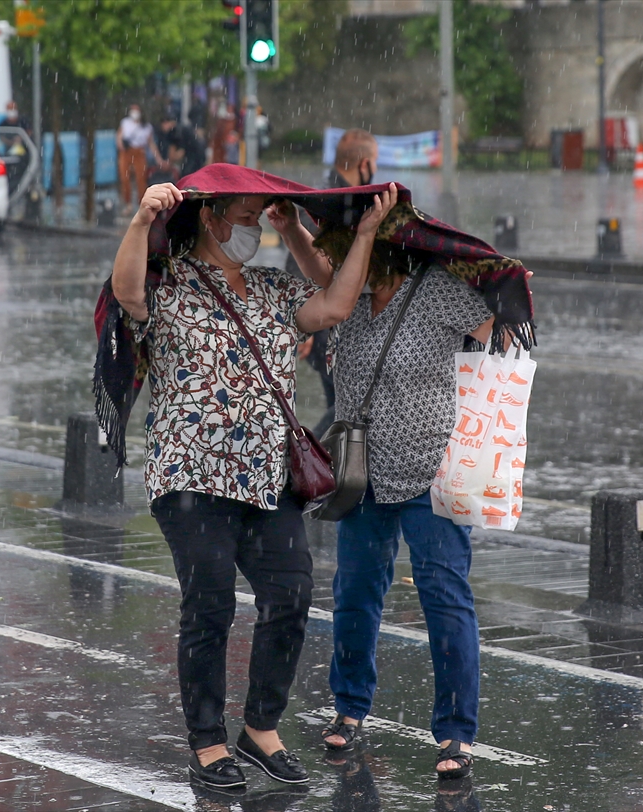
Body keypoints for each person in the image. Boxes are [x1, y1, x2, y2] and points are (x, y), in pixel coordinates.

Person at [109, 177, 399, 790]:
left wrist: (355, 233)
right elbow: (126, 292)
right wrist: (140, 222)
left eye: (259, 220)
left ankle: (261, 729)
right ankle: (208, 741)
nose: (253, 230)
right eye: (245, 218)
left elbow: (336, 304)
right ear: (210, 218)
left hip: (269, 478)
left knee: (291, 594)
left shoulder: (272, 287)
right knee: (210, 602)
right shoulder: (170, 282)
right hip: (191, 476)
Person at [301, 227, 498, 781]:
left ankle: (456, 732)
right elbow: (318, 272)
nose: (336, 261)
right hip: (362, 474)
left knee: (444, 597)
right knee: (355, 592)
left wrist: (503, 289)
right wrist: (291, 228)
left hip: (431, 470)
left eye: (344, 250)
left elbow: (503, 336)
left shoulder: (436, 290)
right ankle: (349, 707)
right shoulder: (351, 294)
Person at [291, 128, 380, 436]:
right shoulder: (336, 204)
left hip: (329, 326)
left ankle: (325, 456)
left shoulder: (327, 197)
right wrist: (306, 327)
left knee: (342, 406)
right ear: (365, 164)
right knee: (346, 407)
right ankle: (310, 452)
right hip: (328, 327)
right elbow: (300, 259)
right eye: (374, 162)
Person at [116, 104, 160, 214]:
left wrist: (158, 158)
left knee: (141, 179)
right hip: (126, 152)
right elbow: (119, 136)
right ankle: (128, 204)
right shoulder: (125, 123)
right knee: (125, 178)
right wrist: (121, 145)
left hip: (139, 152)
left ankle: (142, 204)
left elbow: (151, 143)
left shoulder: (146, 127)